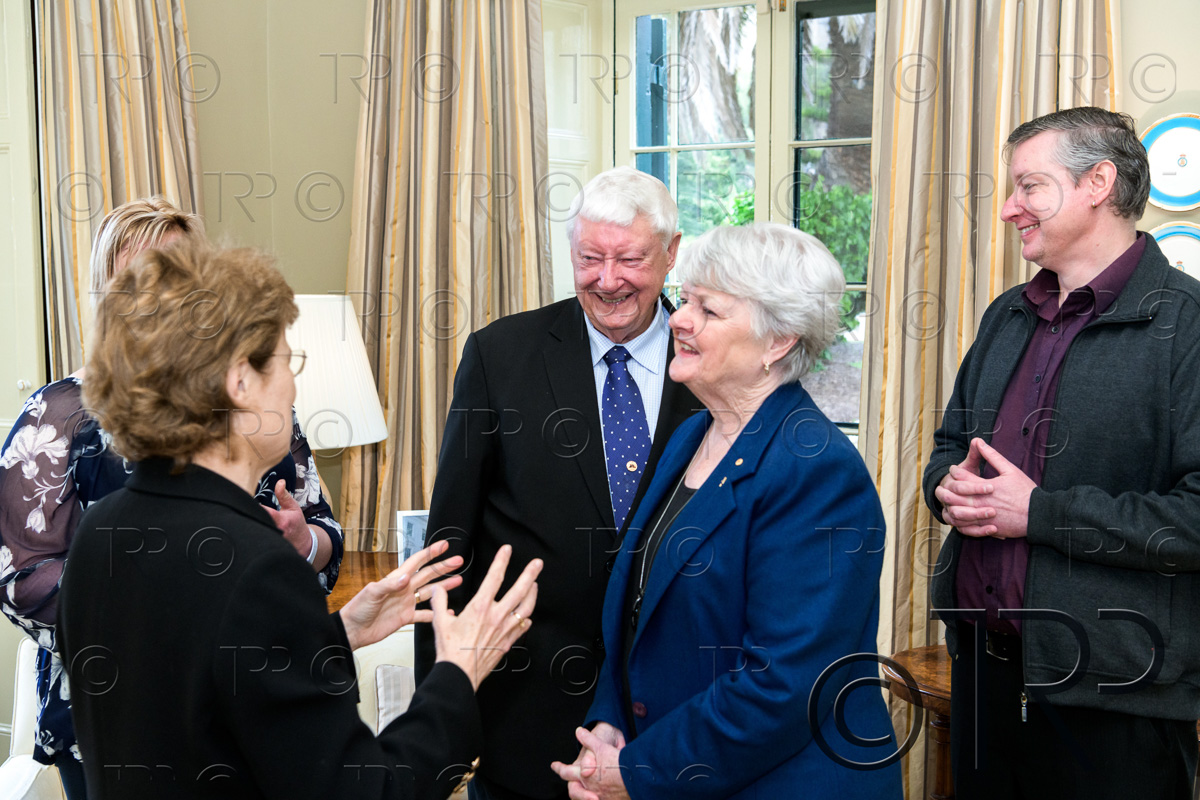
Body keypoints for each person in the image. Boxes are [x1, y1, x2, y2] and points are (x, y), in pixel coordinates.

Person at [57, 239, 543, 799]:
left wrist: (339, 634)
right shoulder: (257, 567)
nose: (293, 385)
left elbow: (195, 699)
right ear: (240, 382)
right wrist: (458, 673)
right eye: (288, 361)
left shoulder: (101, 531)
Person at [0, 197, 343, 798]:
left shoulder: (255, 404)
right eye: (146, 276)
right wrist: (164, 615)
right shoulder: (58, 414)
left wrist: (305, 542)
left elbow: (324, 534)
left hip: (244, 699)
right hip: (106, 708)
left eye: (182, 272)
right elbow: (18, 574)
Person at [552, 222, 902, 800]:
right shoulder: (692, 435)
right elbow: (639, 610)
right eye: (686, 299)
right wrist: (611, 723)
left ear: (777, 341)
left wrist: (638, 771)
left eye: (708, 310)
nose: (679, 319)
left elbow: (783, 686)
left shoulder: (816, 470)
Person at [923, 107, 1200, 799]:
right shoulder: (1007, 313)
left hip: (1115, 700)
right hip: (983, 678)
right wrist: (947, 488)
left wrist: (1040, 513)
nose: (1009, 208)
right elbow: (950, 446)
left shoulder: (1187, 325)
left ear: (1098, 183)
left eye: (1030, 187)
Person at [414, 167, 699, 800]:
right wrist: (438, 714)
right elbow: (448, 543)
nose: (608, 280)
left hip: (676, 721)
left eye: (630, 259)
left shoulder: (712, 365)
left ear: (672, 252)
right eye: (590, 258)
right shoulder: (499, 356)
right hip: (523, 714)